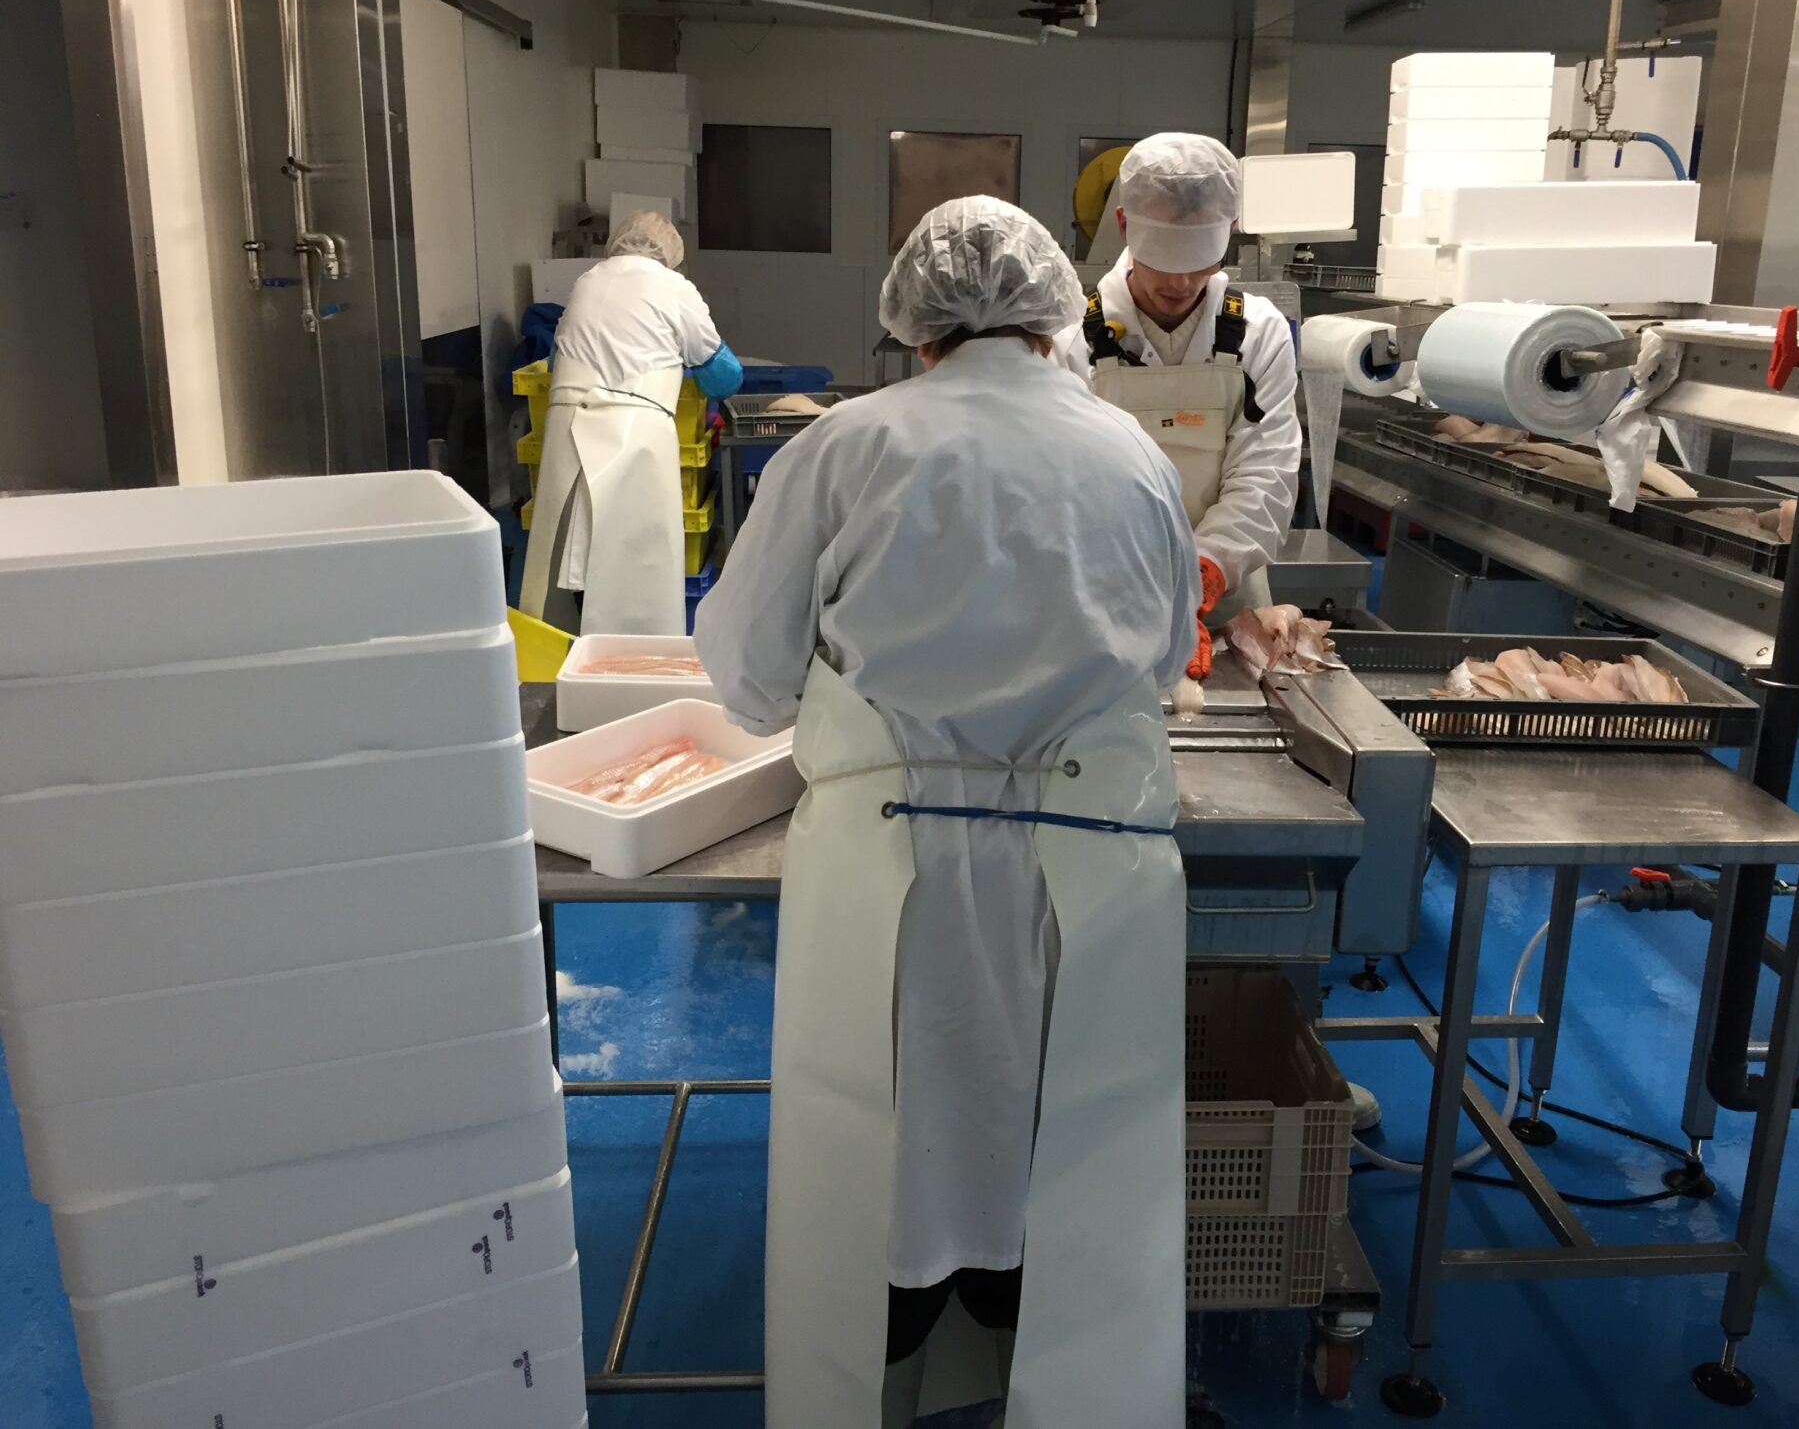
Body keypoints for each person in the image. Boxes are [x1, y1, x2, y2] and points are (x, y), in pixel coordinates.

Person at [695, 197, 1196, 1429]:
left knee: (883, 1145)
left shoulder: (843, 446)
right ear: (1051, 317)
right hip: (1092, 886)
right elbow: (1170, 660)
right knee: (1071, 1152)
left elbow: (748, 681)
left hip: (888, 876)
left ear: (912, 323)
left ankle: (879, 1374)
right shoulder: (1134, 455)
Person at [1056, 133, 1302, 680]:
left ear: (1230, 233)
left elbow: (1266, 472)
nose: (1181, 282)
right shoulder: (1070, 335)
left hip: (1228, 601)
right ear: (1122, 225)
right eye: (1163, 260)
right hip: (1106, 599)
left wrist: (1204, 571)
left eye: (1199, 262)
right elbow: (1061, 488)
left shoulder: (1258, 332)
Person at [519, 210, 743, 635]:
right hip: (634, 429)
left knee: (565, 554)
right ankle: (634, 661)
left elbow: (555, 359)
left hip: (566, 425)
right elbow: (725, 375)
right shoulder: (675, 288)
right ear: (671, 254)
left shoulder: (588, 281)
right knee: (636, 562)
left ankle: (558, 656)